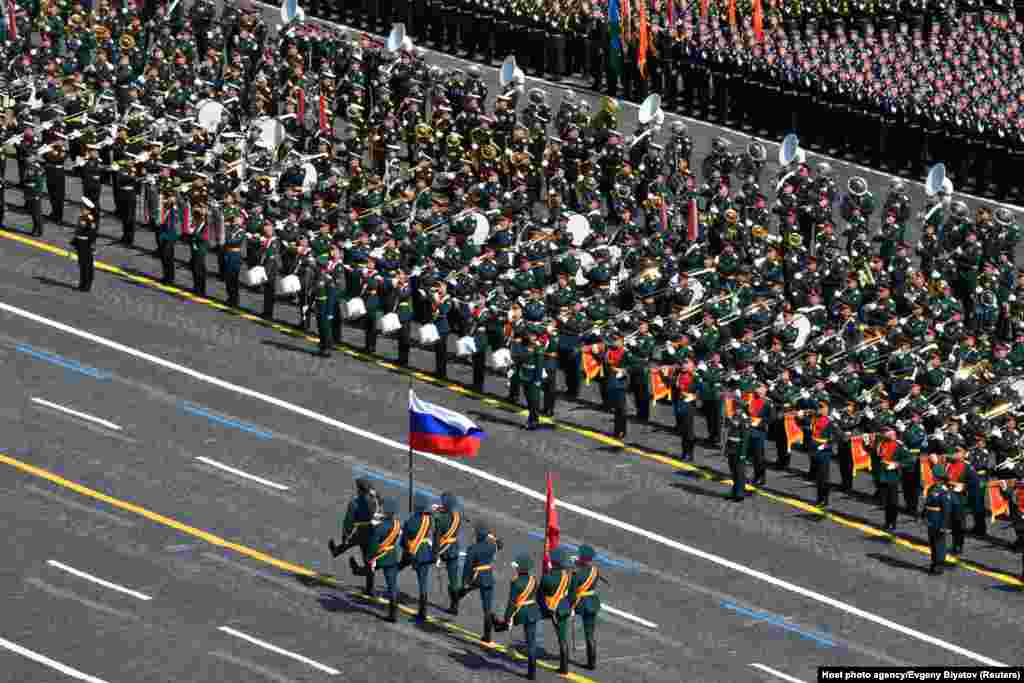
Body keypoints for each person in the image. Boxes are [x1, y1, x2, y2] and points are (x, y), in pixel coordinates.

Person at [349, 496, 403, 622]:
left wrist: (369, 558)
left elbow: (373, 546)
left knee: (368, 568)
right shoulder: (397, 524)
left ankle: (357, 570)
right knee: (392, 586)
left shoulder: (379, 528)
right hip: (391, 556)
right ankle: (392, 613)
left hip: (380, 556)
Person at [493, 553, 541, 681]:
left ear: (520, 568)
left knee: (504, 624)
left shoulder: (515, 582)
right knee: (531, 643)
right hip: (532, 611)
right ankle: (532, 673)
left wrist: (507, 618)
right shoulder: (533, 580)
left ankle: (498, 626)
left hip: (521, 611)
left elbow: (511, 603)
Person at [328, 478, 379, 595]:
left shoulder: (355, 503)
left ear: (360, 491)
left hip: (361, 530)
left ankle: (336, 551)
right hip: (372, 531)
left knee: (349, 541)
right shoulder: (374, 500)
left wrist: (345, 534)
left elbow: (348, 521)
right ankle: (370, 588)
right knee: (369, 561)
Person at [457, 523, 501, 644]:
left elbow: (467, 568)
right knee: (487, 608)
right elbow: (500, 544)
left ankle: (455, 599)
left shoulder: (472, 549)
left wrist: (464, 582)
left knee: (463, 590)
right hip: (488, 576)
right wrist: (493, 537)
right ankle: (487, 636)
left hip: (476, 577)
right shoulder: (492, 546)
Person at [399, 493, 434, 623]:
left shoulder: (410, 521)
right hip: (425, 552)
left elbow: (404, 541)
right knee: (423, 584)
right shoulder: (429, 519)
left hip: (412, 552)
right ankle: (422, 612)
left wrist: (407, 525)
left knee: (397, 567)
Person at [539, 547, 573, 675]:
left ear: (552, 562)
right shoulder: (567, 576)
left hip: (548, 608)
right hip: (563, 608)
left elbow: (540, 596)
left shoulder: (547, 577)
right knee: (562, 639)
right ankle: (564, 668)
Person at [570, 544, 601, 671]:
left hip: (580, 603)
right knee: (590, 634)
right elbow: (587, 572)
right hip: (592, 602)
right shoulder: (595, 570)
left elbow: (572, 592)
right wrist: (578, 563)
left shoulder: (576, 573)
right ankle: (591, 663)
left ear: (582, 557)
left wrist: (570, 607)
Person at [432, 492, 463, 615]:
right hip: (454, 549)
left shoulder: (440, 520)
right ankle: (454, 605)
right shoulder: (457, 517)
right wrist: (439, 509)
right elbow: (448, 514)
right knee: (454, 580)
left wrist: (436, 556)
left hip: (443, 550)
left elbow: (436, 540)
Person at [924, 465, 952, 575]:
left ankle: (939, 564)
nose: (932, 477)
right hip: (931, 520)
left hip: (939, 520)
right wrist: (924, 516)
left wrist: (944, 525)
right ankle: (934, 562)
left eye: (934, 476)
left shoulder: (944, 491)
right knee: (932, 542)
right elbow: (927, 504)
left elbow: (946, 511)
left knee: (939, 543)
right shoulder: (932, 488)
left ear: (939, 477)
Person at [724, 400, 752, 502]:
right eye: (735, 408)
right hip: (732, 447)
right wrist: (727, 449)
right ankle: (734, 491)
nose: (736, 410)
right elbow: (730, 434)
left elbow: (745, 438)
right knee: (733, 472)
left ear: (742, 409)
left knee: (739, 472)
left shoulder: (745, 419)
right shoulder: (735, 416)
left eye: (737, 408)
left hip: (739, 449)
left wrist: (743, 454)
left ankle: (739, 493)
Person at [809, 401, 835, 507]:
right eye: (819, 408)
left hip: (824, 451)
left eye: (822, 408)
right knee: (818, 477)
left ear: (827, 409)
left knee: (824, 477)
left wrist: (824, 446)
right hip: (814, 448)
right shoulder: (815, 418)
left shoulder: (830, 421)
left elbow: (834, 438)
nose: (820, 410)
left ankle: (824, 499)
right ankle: (819, 498)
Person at [72, 206, 99, 292]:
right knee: (82, 264)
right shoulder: (81, 218)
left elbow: (92, 234)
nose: (82, 210)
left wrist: (92, 246)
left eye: (84, 209)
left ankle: (87, 285)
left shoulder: (90, 220)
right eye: (82, 209)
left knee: (87, 266)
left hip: (86, 245)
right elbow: (78, 232)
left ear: (88, 210)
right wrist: (75, 242)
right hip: (80, 244)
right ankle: (82, 283)